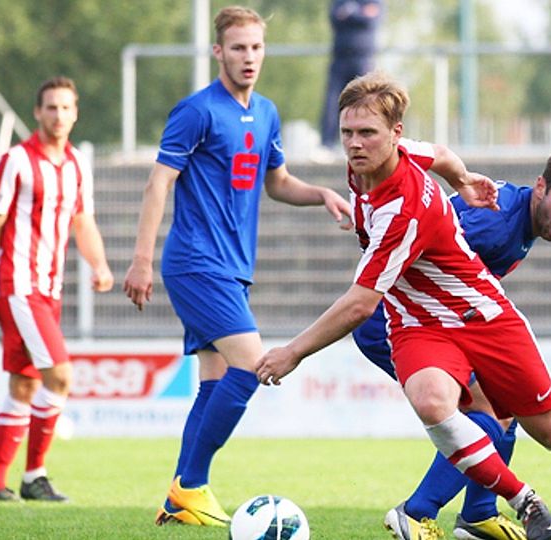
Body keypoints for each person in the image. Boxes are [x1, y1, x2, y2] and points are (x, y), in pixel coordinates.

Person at [256, 71, 551, 540]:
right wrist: (292, 352)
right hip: (402, 316)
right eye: (347, 133)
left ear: (395, 137)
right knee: (479, 412)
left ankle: (547, 519)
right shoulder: (480, 225)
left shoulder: (400, 160)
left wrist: (463, 179)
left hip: (445, 312)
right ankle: (428, 510)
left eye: (366, 133)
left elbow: (441, 156)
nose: (353, 144)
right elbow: (372, 293)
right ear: (540, 187)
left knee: (542, 428)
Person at [121, 6, 352, 528]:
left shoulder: (266, 112)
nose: (249, 57)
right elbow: (159, 183)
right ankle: (191, 485)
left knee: (216, 376)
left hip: (232, 268)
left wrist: (320, 195)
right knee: (251, 365)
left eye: (256, 48)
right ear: (218, 52)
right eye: (239, 48)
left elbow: (277, 182)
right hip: (195, 262)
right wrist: (141, 260)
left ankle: (181, 495)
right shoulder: (196, 111)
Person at [353, 144, 551, 540]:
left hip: (438, 318)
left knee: (502, 407)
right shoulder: (495, 225)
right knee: (488, 411)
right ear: (541, 186)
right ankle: (417, 513)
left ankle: (478, 513)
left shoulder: (518, 215)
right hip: (394, 319)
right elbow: (421, 256)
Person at [0, 76, 113, 502]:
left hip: (49, 289)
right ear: (37, 112)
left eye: (66, 108)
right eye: (50, 107)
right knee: (61, 375)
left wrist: (100, 264)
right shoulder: (15, 160)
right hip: (17, 285)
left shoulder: (76, 165)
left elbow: (82, 221)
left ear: (76, 113)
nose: (58, 115)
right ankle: (35, 475)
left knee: (24, 385)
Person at [313, 0, 384, 163]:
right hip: (339, 58)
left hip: (363, 59)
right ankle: (327, 145)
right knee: (332, 102)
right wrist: (359, 14)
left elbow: (371, 20)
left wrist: (351, 13)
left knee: (367, 103)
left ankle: (369, 145)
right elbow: (334, 18)